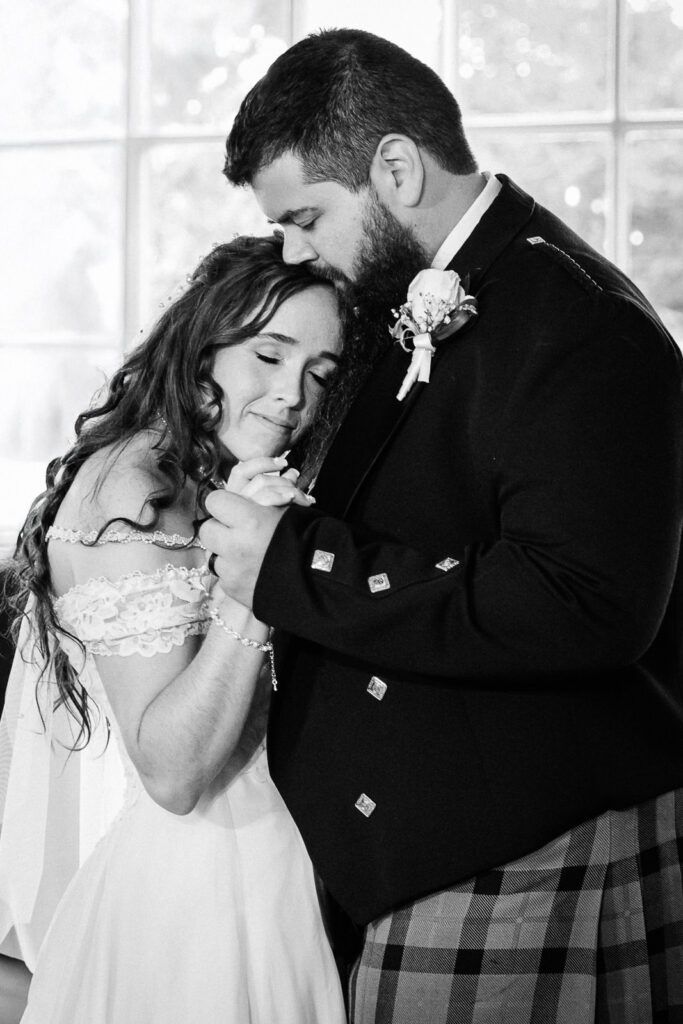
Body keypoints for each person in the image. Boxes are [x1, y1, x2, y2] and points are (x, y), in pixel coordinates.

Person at [199, 28, 683, 1023]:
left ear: (395, 167)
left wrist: (294, 562)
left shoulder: (581, 323)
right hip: (417, 867)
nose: (292, 251)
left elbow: (580, 603)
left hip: (526, 861)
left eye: (304, 217)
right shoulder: (403, 298)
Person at [0, 235, 347, 1024]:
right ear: (202, 352)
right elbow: (172, 771)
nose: (292, 395)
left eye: (318, 374)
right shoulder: (134, 487)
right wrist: (257, 576)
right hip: (201, 891)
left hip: (275, 861)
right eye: (268, 355)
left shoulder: (212, 478)